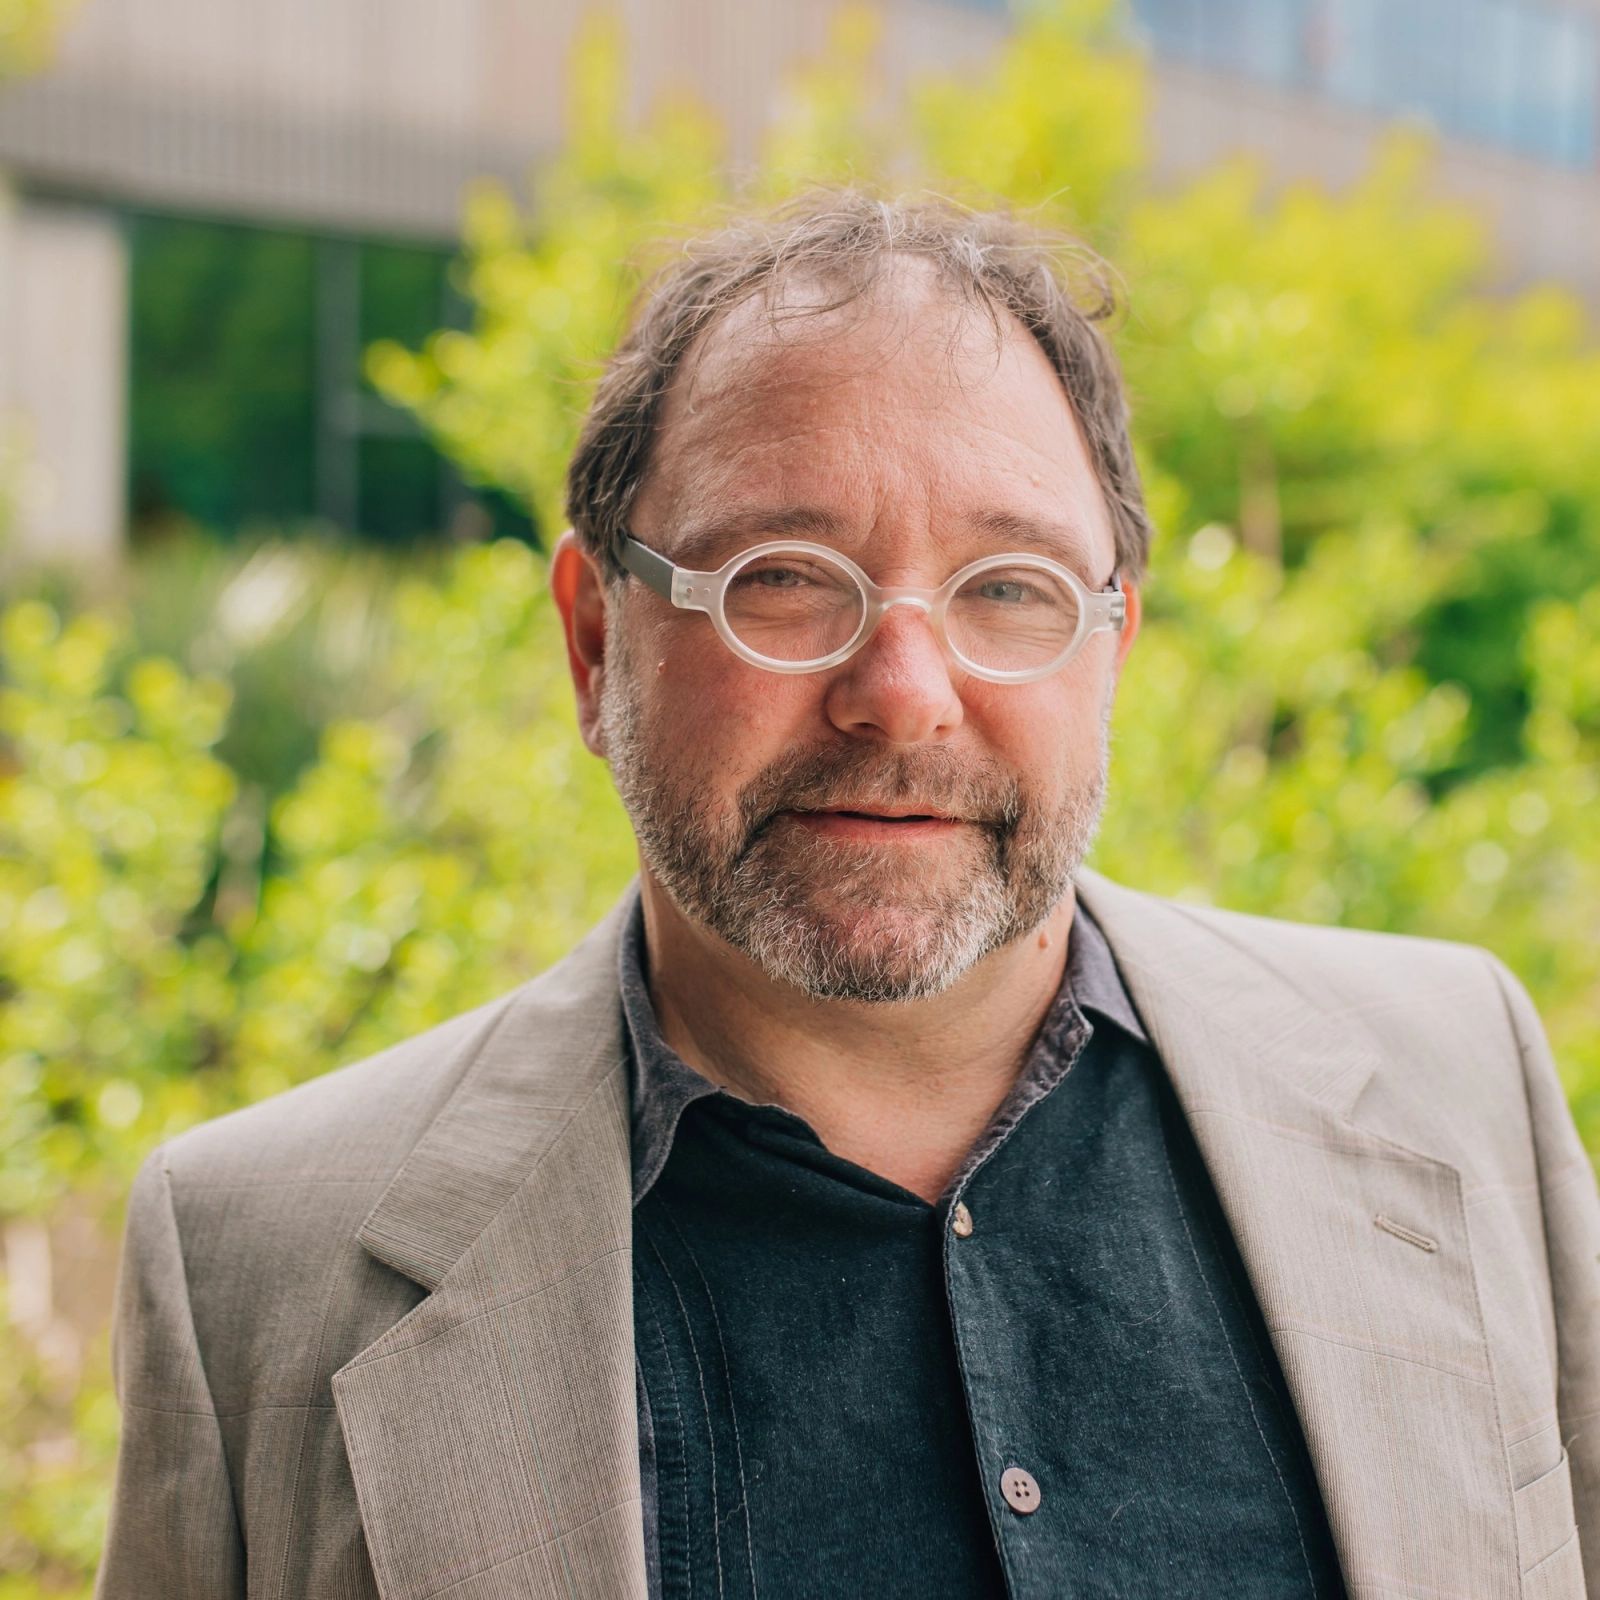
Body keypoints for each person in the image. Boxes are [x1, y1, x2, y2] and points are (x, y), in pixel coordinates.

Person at [95, 192, 1597, 1600]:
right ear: (594, 641)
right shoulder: (258, 1267)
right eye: (785, 577)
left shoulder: (1453, 1078)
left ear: (1112, 649)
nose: (901, 696)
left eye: (1008, 587)